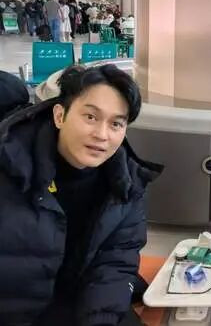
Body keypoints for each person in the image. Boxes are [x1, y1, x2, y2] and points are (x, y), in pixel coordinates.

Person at [0, 64, 162, 325]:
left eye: (116, 123)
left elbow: (115, 263)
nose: (101, 135)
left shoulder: (125, 185)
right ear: (59, 116)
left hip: (78, 302)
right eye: (90, 117)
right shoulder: (12, 165)